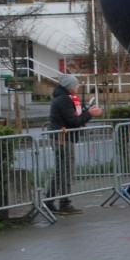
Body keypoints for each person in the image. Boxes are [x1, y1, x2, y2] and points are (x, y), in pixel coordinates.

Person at [46, 73, 102, 214]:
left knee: (61, 170)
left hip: (61, 136)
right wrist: (89, 114)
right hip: (63, 138)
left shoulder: (65, 98)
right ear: (69, 87)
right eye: (75, 85)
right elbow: (73, 121)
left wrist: (85, 115)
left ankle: (48, 200)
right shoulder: (65, 99)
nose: (77, 87)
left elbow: (74, 118)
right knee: (67, 171)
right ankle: (64, 203)